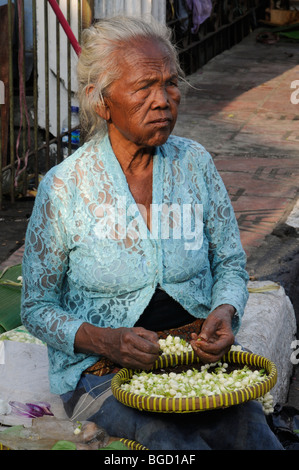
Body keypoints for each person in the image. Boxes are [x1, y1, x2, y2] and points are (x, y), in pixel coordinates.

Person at [21, 16, 283, 450]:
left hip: (195, 362)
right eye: (144, 87)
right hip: (104, 371)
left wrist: (224, 310)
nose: (163, 100)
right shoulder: (65, 188)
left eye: (170, 83)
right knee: (170, 443)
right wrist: (107, 340)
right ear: (101, 102)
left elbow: (231, 264)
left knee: (255, 437)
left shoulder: (194, 164)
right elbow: (36, 306)